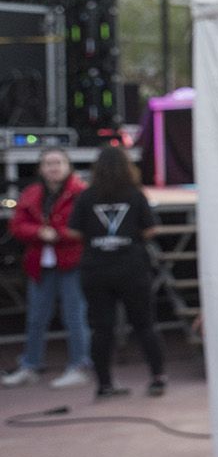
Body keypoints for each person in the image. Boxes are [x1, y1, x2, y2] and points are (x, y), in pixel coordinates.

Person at [68, 146, 167, 399]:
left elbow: (73, 231)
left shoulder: (87, 196)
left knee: (101, 328)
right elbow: (150, 229)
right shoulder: (134, 194)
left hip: (96, 268)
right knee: (144, 324)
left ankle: (104, 384)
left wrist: (99, 239)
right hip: (131, 267)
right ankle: (157, 378)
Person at [1, 147, 94, 390]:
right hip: (41, 262)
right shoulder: (32, 193)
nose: (53, 168)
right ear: (41, 168)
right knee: (36, 317)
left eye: (58, 162)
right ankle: (30, 365)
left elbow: (86, 227)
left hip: (71, 261)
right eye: (48, 163)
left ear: (68, 166)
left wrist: (58, 234)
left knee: (75, 316)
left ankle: (80, 365)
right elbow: (17, 225)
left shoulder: (80, 193)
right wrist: (39, 232)